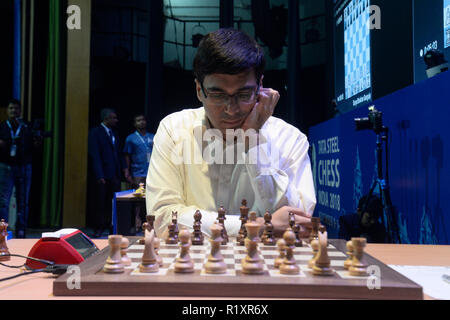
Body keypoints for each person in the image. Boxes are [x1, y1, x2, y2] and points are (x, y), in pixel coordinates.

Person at [146, 28, 316, 239]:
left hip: (268, 268)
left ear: (260, 88)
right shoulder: (173, 130)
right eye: (217, 95)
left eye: (243, 94)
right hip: (195, 267)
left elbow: (298, 223)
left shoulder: (291, 139)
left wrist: (253, 141)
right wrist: (258, 226)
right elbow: (162, 218)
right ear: (199, 90)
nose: (231, 109)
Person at [0, 99, 39, 238]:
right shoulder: (3, 126)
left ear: (20, 111)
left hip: (24, 166)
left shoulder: (26, 126)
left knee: (23, 201)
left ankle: (21, 230)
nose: (13, 111)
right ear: (7, 110)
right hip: (6, 166)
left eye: (16, 109)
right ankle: (2, 230)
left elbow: (33, 146)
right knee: (4, 200)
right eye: (10, 108)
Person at [88, 108, 125, 238]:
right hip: (103, 174)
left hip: (114, 174)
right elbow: (95, 154)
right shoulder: (95, 132)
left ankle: (112, 227)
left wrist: (122, 171)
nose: (116, 120)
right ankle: (98, 227)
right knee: (100, 202)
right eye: (113, 118)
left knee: (113, 202)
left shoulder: (114, 133)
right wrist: (99, 174)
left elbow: (118, 154)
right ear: (106, 119)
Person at [123, 114, 155, 232]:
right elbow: (127, 155)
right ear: (134, 123)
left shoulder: (152, 136)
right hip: (137, 171)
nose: (141, 122)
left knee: (151, 198)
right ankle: (137, 222)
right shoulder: (131, 138)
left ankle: (151, 223)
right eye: (138, 120)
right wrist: (126, 171)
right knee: (138, 199)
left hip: (152, 172)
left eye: (143, 120)